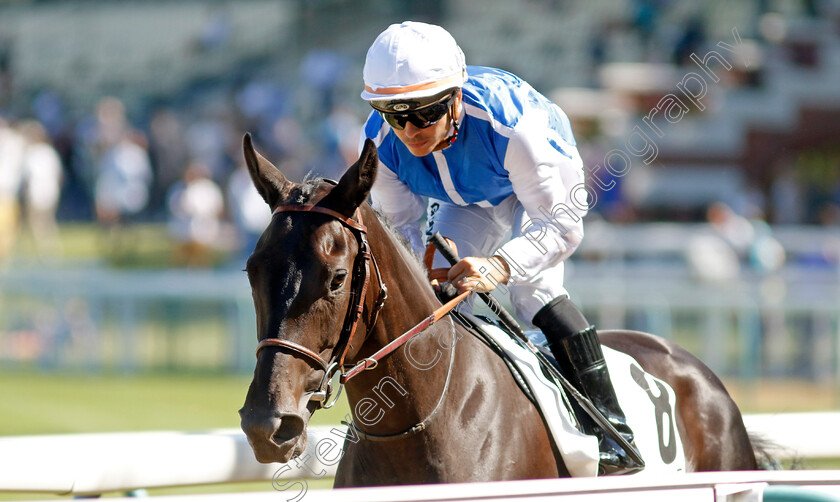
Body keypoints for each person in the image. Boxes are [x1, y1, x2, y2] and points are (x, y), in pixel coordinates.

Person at [359, 21, 641, 475]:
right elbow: (400, 230)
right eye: (395, 114)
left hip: (542, 184)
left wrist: (500, 266)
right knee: (443, 300)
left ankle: (613, 430)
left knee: (533, 292)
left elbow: (563, 227)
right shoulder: (378, 141)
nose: (410, 130)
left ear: (454, 97)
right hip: (470, 197)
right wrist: (420, 269)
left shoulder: (515, 126)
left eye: (425, 113)